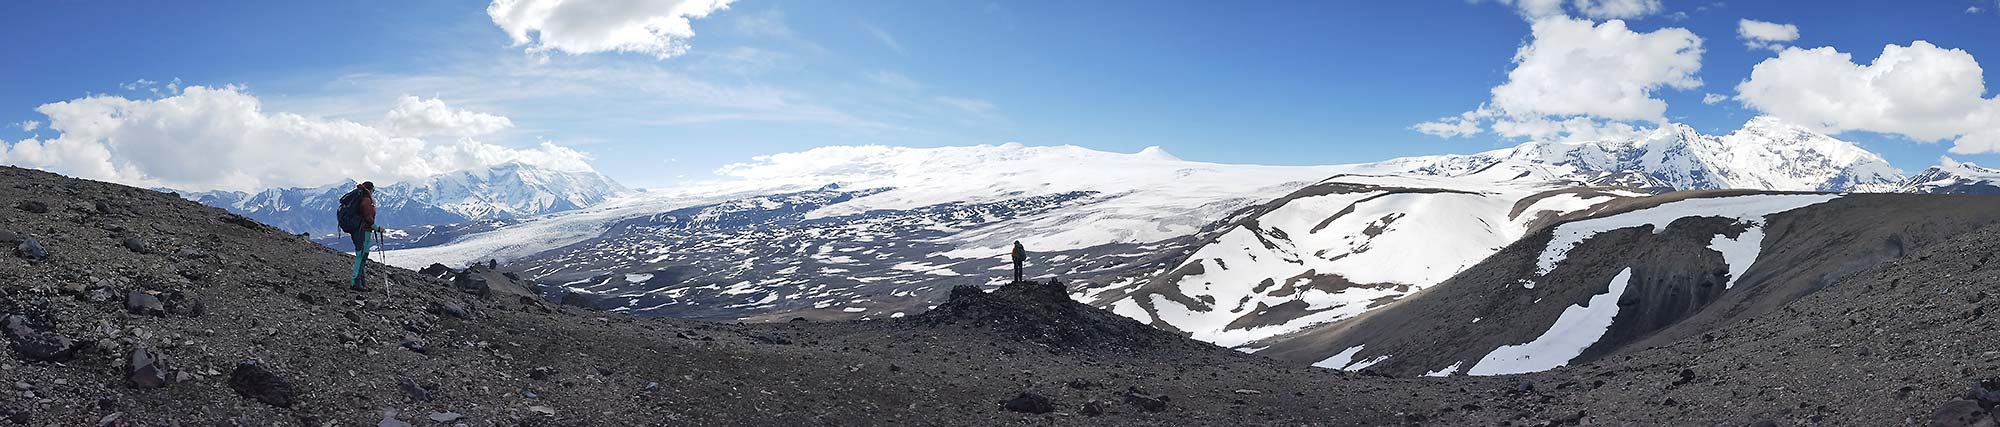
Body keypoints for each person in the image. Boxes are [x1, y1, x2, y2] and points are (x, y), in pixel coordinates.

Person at [336, 181, 384, 291]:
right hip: (363, 231)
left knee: (361, 256)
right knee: (361, 256)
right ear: (370, 189)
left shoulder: (359, 198)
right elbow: (368, 217)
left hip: (357, 230)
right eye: (373, 190)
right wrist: (377, 228)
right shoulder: (366, 200)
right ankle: (356, 283)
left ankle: (361, 282)